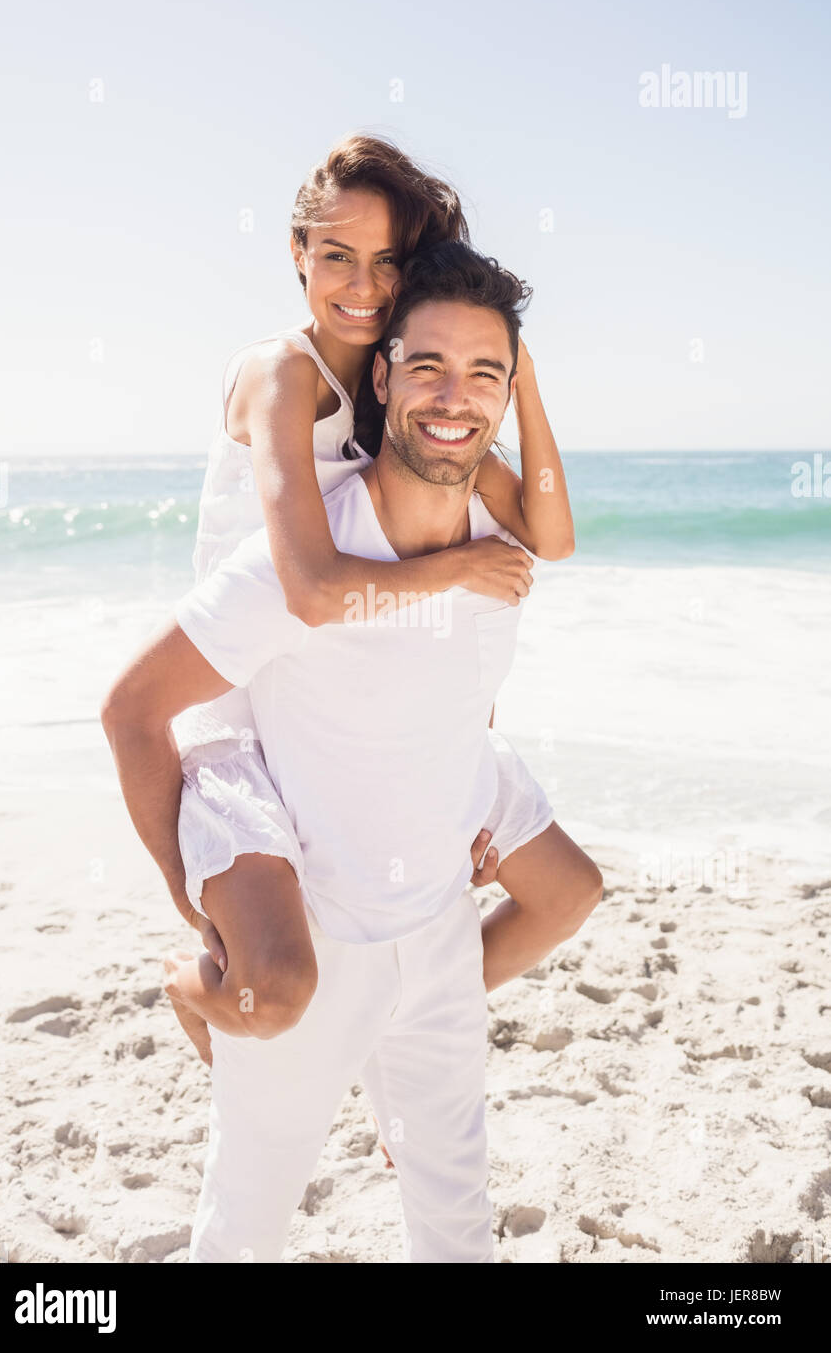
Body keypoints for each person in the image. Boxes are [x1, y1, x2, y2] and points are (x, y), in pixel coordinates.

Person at [101, 242, 603, 1262]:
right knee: (239, 1238)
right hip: (315, 947)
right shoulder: (299, 560)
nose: (452, 396)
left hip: (440, 944)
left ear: (508, 392)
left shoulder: (496, 543)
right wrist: (199, 906)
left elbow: (467, 690)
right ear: (380, 376)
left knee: (457, 1237)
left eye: (484, 372)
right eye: (426, 366)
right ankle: (208, 991)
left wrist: (472, 802)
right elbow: (131, 709)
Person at [159, 136, 593, 1072]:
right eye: (337, 256)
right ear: (296, 253)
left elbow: (550, 537)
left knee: (564, 890)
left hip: (348, 679)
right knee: (275, 982)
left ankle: (408, 1022)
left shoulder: (401, 385)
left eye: (388, 261)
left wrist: (520, 377)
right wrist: (456, 572)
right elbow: (313, 587)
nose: (363, 284)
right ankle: (187, 986)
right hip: (243, 689)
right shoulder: (284, 373)